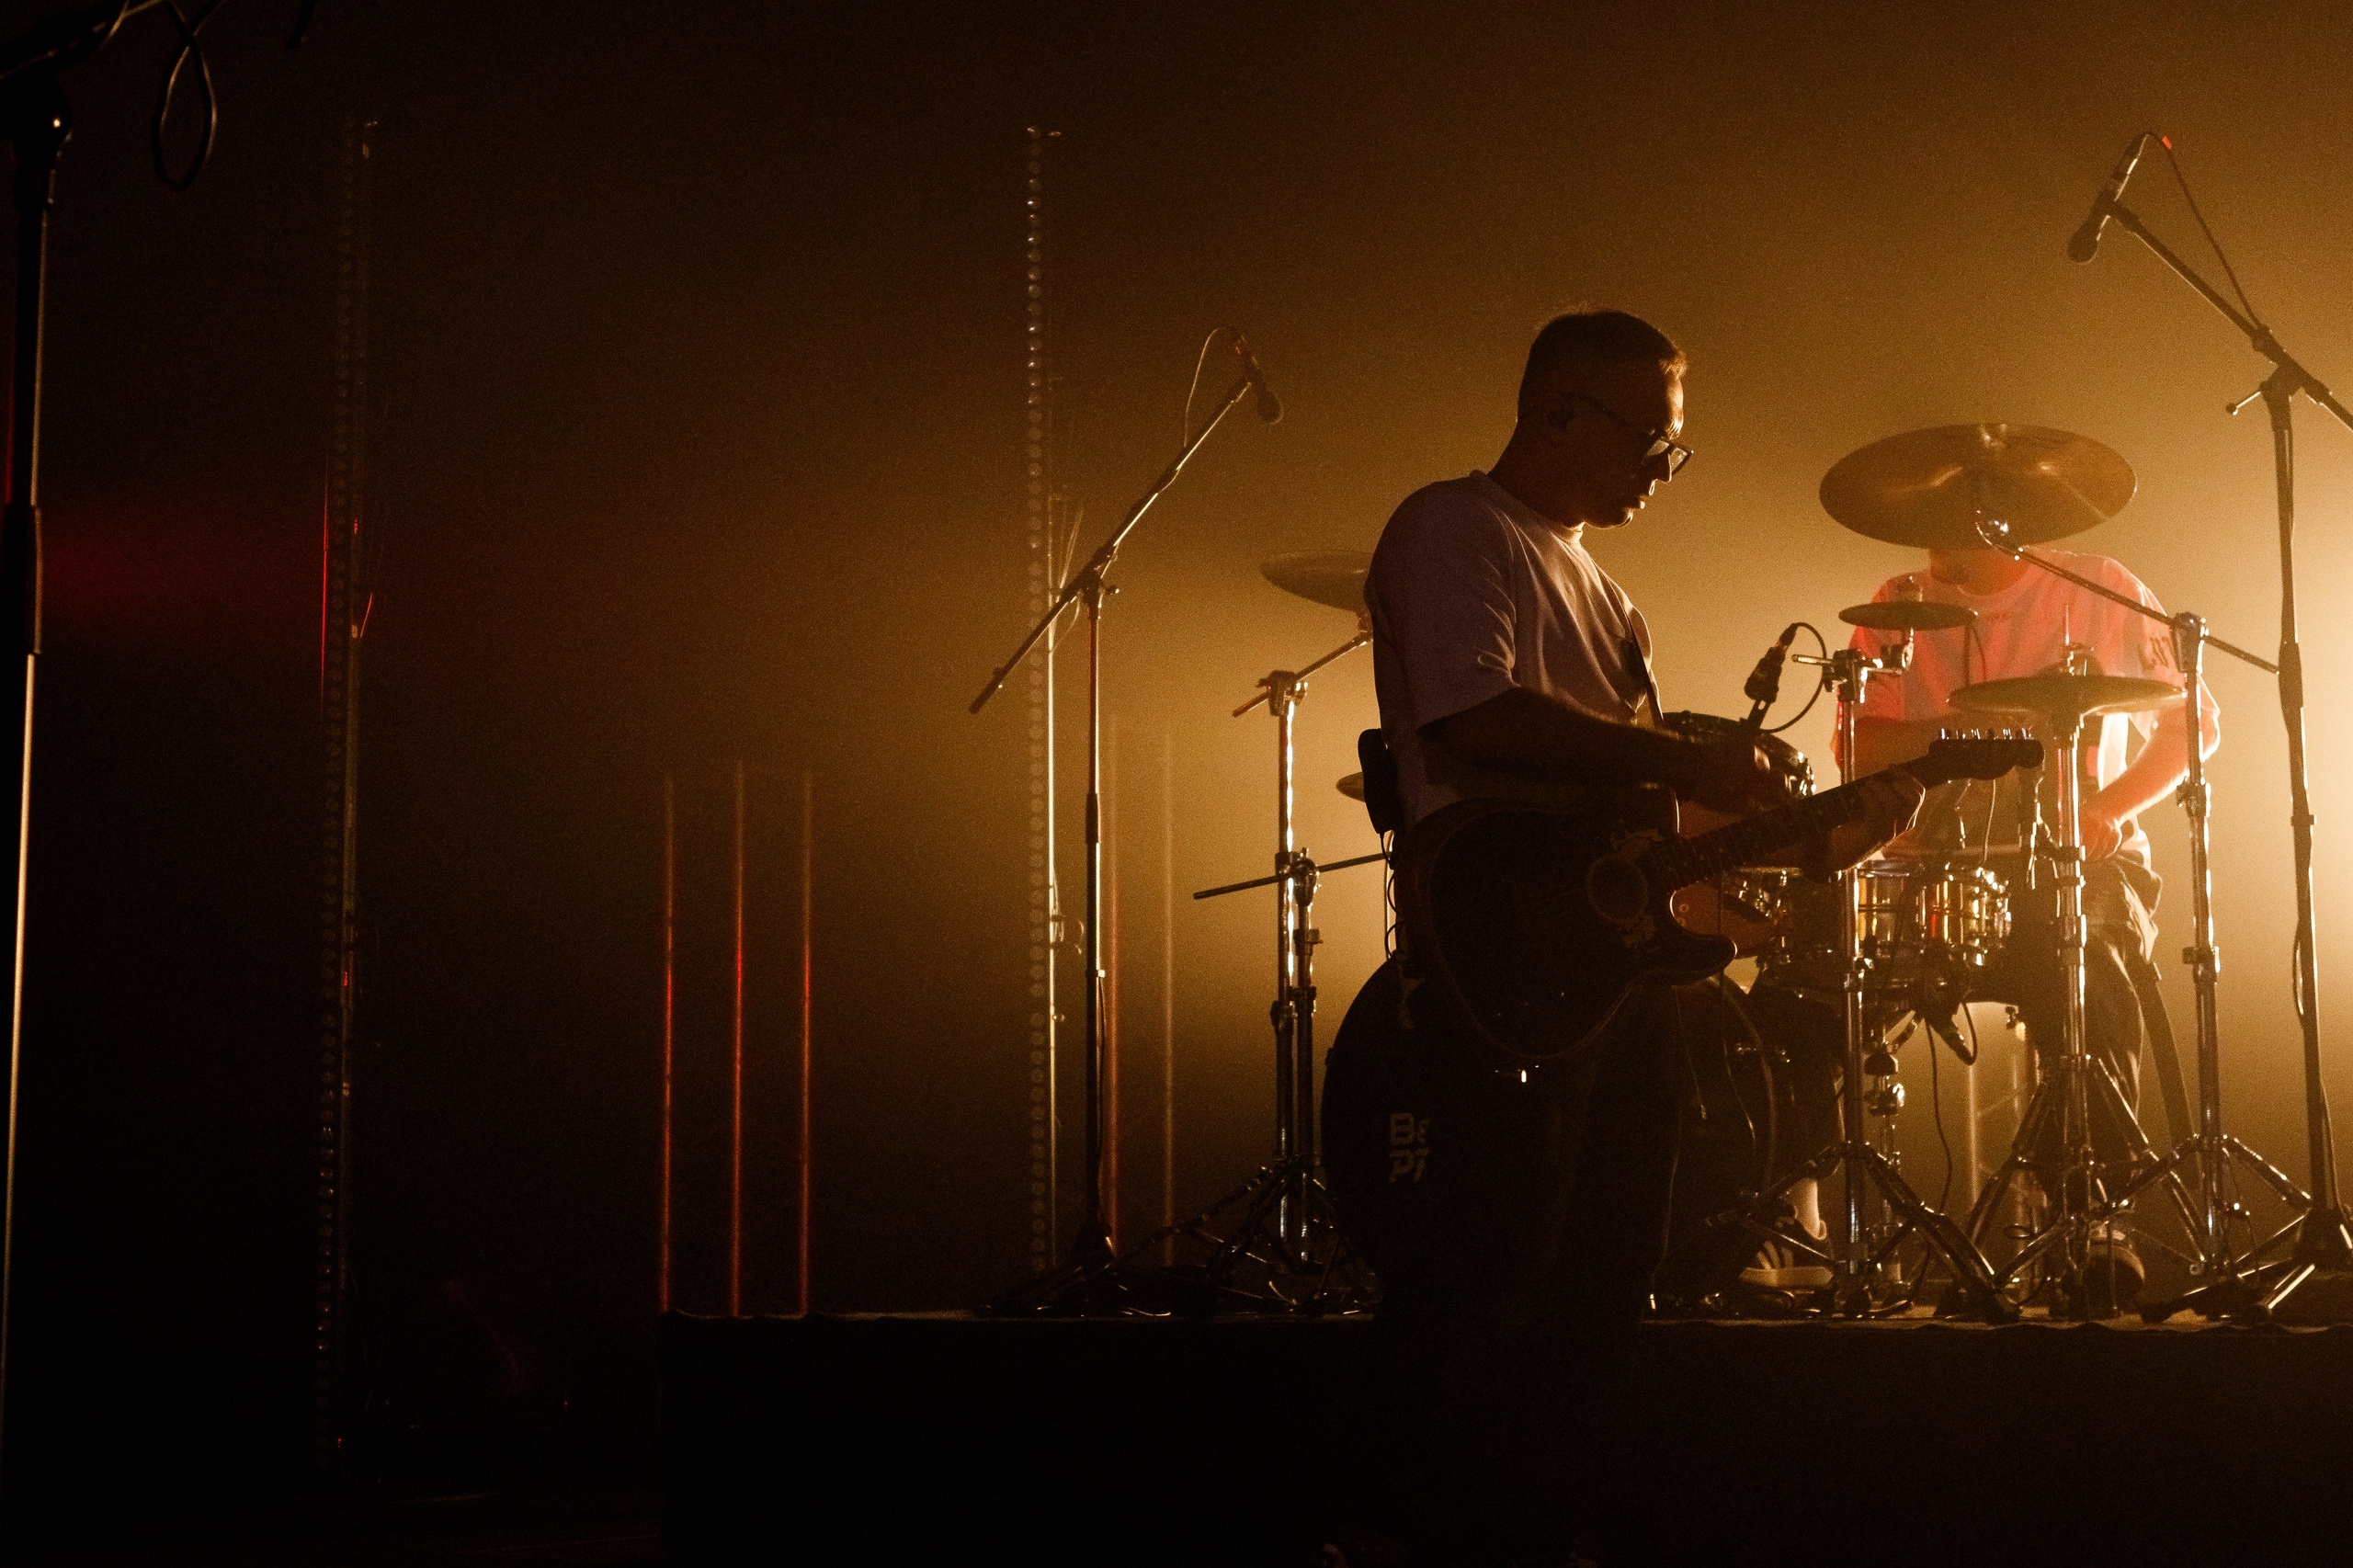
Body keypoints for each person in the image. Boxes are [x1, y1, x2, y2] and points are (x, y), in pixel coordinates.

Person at [1327, 309, 1920, 1562]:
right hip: (1507, 946)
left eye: (1674, 447)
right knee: (1490, 1254)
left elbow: (1639, 827)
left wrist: (1816, 834)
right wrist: (1688, 760)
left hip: (1615, 965)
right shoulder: (1454, 528)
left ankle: (1536, 1526)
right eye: (1651, 437)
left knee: (1604, 1267)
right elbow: (1475, 720)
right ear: (1558, 411)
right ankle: (1388, 1526)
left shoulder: (1610, 597)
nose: (1664, 467)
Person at [1845, 541, 2221, 1307]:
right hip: (1932, 865)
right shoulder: (1896, 605)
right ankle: (1802, 1219)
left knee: (2086, 955)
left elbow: (2192, 724)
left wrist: (2106, 811)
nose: (1932, 537)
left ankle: (2091, 1212)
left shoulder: (2098, 588)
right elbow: (1859, 750)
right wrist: (1981, 725)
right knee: (1814, 980)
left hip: (2080, 858)